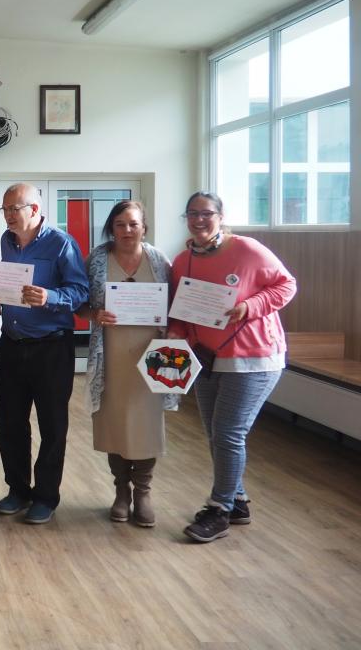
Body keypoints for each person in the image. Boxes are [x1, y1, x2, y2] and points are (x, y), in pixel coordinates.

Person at [169, 192, 296, 543]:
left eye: (206, 213)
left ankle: (219, 509)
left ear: (221, 216)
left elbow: (286, 285)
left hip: (253, 358)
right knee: (216, 433)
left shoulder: (247, 249)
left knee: (228, 433)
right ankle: (237, 501)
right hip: (207, 357)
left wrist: (250, 306)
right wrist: (175, 333)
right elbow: (180, 309)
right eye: (192, 213)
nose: (199, 219)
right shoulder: (182, 260)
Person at [0, 183, 89, 524]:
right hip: (12, 344)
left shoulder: (62, 243)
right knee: (9, 424)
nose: (8, 215)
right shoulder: (7, 241)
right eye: (4, 209)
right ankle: (18, 490)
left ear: (34, 209)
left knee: (52, 425)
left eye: (14, 209)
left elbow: (80, 292)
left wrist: (50, 297)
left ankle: (46, 496)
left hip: (51, 348)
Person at [76, 200, 172, 528]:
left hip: (152, 355)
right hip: (111, 354)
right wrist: (94, 314)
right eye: (120, 224)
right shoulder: (96, 260)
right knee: (114, 423)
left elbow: (177, 304)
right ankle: (121, 492)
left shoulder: (160, 261)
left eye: (133, 223)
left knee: (146, 424)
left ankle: (143, 492)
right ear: (111, 228)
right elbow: (78, 303)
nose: (127, 230)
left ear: (144, 227)